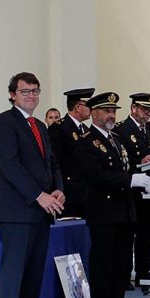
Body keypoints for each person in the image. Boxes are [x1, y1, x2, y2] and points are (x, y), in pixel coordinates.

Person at [0, 72, 65, 298]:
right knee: (13, 272)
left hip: (41, 211)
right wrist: (38, 195)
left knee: (34, 272)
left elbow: (51, 163)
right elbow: (10, 166)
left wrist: (57, 189)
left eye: (35, 91)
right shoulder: (5, 122)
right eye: (25, 91)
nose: (31, 96)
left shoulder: (40, 126)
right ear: (12, 95)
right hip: (16, 212)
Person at [80, 92, 150, 298]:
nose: (111, 115)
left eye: (113, 111)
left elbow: (125, 166)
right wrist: (132, 180)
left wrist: (137, 178)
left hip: (124, 207)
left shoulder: (116, 138)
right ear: (94, 113)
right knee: (103, 261)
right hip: (104, 210)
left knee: (122, 261)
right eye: (107, 111)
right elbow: (96, 175)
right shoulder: (87, 141)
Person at [114, 93, 150, 288]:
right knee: (127, 235)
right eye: (144, 109)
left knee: (147, 232)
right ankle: (124, 274)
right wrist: (139, 161)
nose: (147, 113)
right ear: (133, 108)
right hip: (131, 188)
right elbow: (120, 159)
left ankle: (144, 271)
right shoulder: (121, 129)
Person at [48, 88, 94, 218]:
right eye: (88, 106)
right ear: (78, 107)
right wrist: (57, 188)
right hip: (68, 194)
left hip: (85, 192)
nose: (91, 109)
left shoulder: (86, 129)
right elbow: (53, 161)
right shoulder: (59, 128)